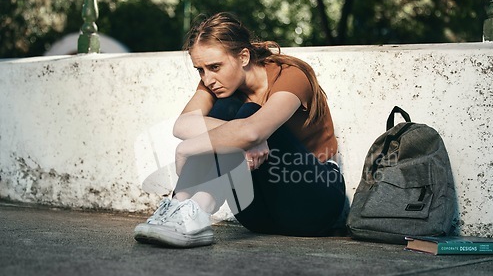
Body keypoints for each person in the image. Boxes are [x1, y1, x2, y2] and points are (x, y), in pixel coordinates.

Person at [134, 12, 346, 248]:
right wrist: (244, 137)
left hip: (315, 202)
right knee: (231, 111)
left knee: (249, 114)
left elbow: (253, 130)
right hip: (259, 215)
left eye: (214, 67)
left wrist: (187, 149)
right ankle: (178, 208)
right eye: (200, 70)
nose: (207, 78)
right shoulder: (217, 82)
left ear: (243, 57)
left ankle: (198, 213)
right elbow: (183, 124)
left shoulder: (291, 75)